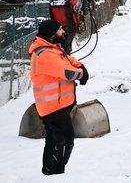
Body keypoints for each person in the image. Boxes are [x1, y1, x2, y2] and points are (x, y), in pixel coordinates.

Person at [29, 19, 88, 176]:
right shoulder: (44, 55)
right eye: (60, 29)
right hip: (53, 107)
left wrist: (80, 66)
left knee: (56, 141)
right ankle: (54, 173)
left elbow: (69, 60)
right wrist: (81, 74)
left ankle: (50, 171)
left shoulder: (53, 49)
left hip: (58, 104)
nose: (63, 31)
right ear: (52, 34)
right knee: (64, 142)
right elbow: (68, 72)